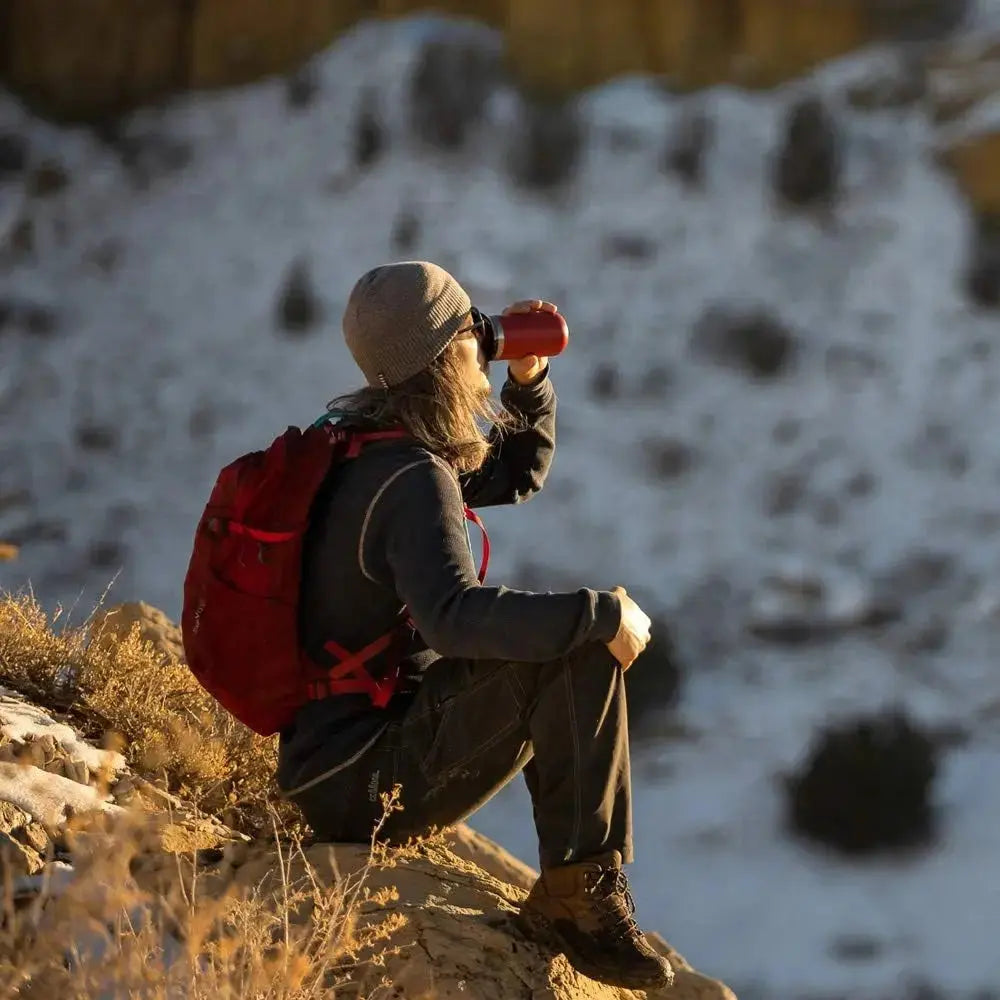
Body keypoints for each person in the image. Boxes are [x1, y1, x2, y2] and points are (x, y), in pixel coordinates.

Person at [277, 261, 672, 991]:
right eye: (472, 331)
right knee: (579, 645)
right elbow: (453, 618)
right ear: (441, 356)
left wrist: (528, 381)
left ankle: (576, 888)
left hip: (331, 764)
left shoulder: (368, 448)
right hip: (361, 783)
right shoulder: (409, 478)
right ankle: (577, 900)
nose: (482, 343)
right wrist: (602, 614)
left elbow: (514, 475)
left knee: (567, 636)